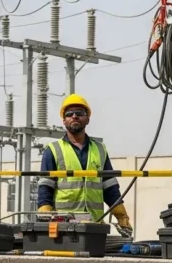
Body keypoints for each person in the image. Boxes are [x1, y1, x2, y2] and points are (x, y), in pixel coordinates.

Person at [37, 94, 133, 233]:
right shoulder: (53, 150)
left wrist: (122, 217)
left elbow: (109, 187)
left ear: (87, 119)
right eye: (69, 114)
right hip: (64, 225)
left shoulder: (100, 150)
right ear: (64, 120)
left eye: (80, 113)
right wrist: (45, 217)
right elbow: (46, 187)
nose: (74, 116)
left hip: (94, 224)